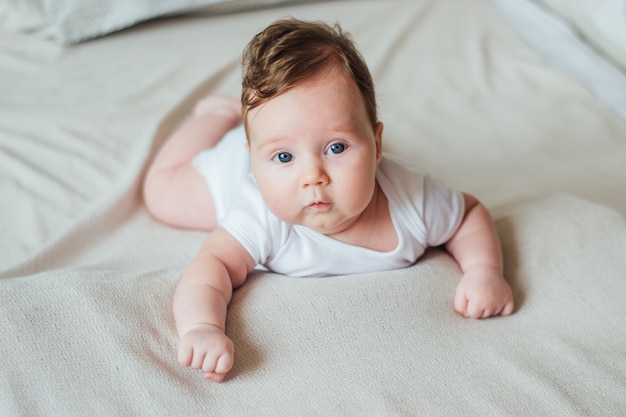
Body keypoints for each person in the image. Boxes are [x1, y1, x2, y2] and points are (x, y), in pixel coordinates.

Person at [143, 18, 514, 382]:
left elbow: (469, 213)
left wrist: (484, 271)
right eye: (285, 156)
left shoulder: (412, 199)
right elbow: (213, 266)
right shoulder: (260, 213)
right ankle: (217, 117)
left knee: (300, 135)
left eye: (336, 147)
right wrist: (203, 327)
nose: (313, 177)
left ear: (377, 144)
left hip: (289, 151)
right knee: (161, 193)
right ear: (256, 159)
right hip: (231, 173)